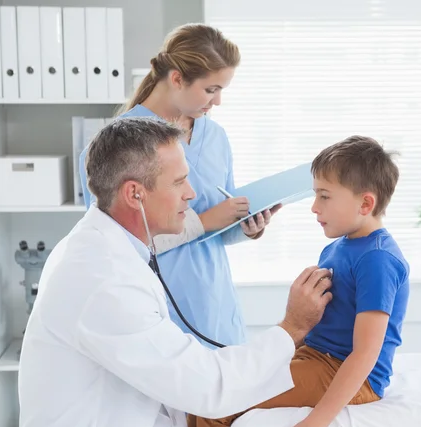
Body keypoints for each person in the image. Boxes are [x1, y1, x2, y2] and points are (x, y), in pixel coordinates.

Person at [18, 117, 333, 427]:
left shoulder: (111, 250)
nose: (192, 194)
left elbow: (174, 362)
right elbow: (207, 386)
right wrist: (292, 327)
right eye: (180, 182)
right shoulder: (101, 277)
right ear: (135, 194)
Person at [189, 136, 410, 427]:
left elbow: (366, 354)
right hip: (316, 359)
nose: (314, 207)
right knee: (207, 388)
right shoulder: (339, 247)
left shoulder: (377, 259)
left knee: (214, 406)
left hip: (343, 372)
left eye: (324, 196)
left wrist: (315, 425)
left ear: (365, 204)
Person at [79, 23, 278, 348]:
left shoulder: (215, 137)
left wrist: (245, 226)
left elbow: (218, 225)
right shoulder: (111, 148)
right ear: (176, 78)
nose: (218, 102)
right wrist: (207, 220)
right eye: (211, 89)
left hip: (216, 310)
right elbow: (113, 248)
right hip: (156, 313)